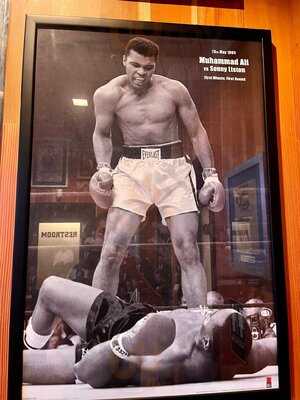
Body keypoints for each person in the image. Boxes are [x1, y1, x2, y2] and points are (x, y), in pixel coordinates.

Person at [89, 36, 225, 307]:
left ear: (155, 65)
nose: (141, 73)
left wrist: (211, 175)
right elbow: (101, 134)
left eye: (148, 67)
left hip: (173, 168)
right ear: (124, 61)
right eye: (135, 65)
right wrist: (103, 167)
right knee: (112, 249)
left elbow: (197, 132)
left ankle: (198, 326)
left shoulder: (174, 90)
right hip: (130, 169)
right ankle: (99, 327)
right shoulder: (107, 94)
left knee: (187, 249)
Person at [23, 276, 277, 387]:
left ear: (205, 344)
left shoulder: (173, 361)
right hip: (131, 316)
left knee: (16, 365)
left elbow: (86, 371)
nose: (204, 314)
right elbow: (277, 347)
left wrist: (128, 343)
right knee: (49, 288)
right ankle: (32, 341)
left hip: (111, 353)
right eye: (209, 313)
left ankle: (31, 352)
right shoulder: (249, 353)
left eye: (207, 320)